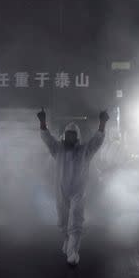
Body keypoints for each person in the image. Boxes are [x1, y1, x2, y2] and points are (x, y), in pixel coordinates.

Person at [39, 108, 107, 266]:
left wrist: (102, 123)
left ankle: (73, 253)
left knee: (75, 222)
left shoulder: (85, 151)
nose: (70, 137)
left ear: (77, 137)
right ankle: (67, 240)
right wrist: (42, 122)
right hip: (61, 190)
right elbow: (47, 138)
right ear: (64, 136)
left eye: (73, 134)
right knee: (62, 222)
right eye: (68, 134)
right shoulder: (58, 150)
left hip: (78, 192)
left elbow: (97, 141)